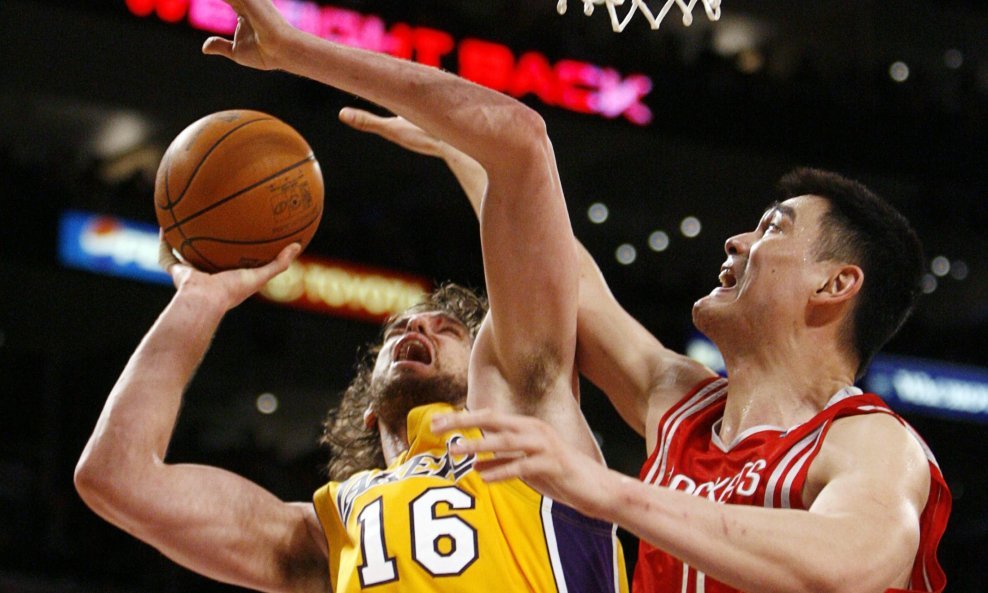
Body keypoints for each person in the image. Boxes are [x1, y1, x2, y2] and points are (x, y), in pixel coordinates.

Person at [72, 0, 628, 591]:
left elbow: (521, 143)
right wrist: (199, 301)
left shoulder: (535, 430)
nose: (417, 329)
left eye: (449, 329)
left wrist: (296, 50)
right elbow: (115, 475)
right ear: (367, 408)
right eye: (401, 331)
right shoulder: (326, 531)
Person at [338, 105, 952, 593]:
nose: (737, 241)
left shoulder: (871, 438)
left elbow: (849, 566)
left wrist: (603, 489)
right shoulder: (683, 407)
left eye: (772, 228)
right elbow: (563, 278)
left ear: (835, 284)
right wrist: (473, 156)